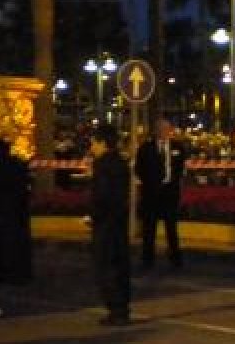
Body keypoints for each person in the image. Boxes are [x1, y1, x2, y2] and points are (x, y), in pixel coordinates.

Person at [89, 124, 131, 327]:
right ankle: (122, 307)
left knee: (106, 266)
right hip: (119, 222)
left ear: (103, 143)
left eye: (94, 142)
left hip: (105, 224)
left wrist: (93, 216)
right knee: (120, 265)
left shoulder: (102, 164)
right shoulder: (121, 162)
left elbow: (102, 196)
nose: (91, 146)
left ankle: (116, 310)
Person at [135, 119, 186, 270]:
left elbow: (181, 168)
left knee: (171, 228)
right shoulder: (146, 148)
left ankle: (176, 258)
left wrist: (175, 184)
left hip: (170, 194)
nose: (164, 132)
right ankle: (147, 259)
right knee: (149, 229)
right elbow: (139, 169)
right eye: (161, 129)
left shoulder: (178, 147)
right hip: (151, 194)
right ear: (155, 131)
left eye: (167, 129)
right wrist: (149, 183)